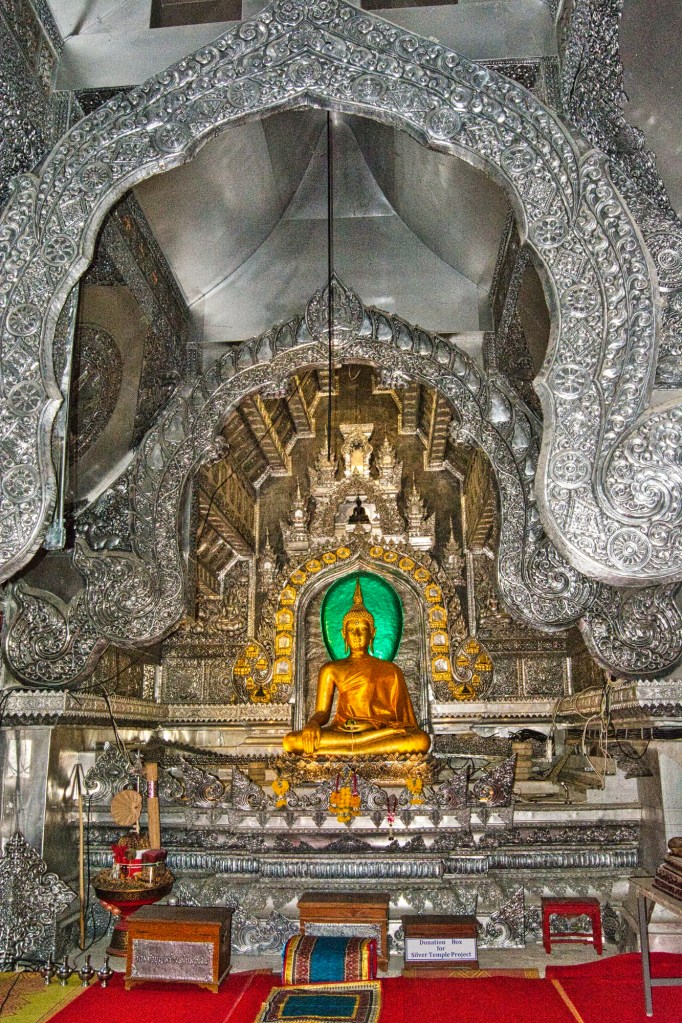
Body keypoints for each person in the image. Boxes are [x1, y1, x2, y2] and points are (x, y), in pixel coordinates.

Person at [283, 578, 430, 756]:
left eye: (362, 629)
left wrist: (374, 725)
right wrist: (313, 723)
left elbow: (405, 723)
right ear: (344, 634)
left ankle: (353, 748)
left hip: (378, 732)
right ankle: (358, 747)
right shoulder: (331, 669)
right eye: (352, 629)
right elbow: (322, 711)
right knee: (291, 741)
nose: (357, 634)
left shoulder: (391, 670)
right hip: (342, 731)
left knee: (420, 740)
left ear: (372, 633)